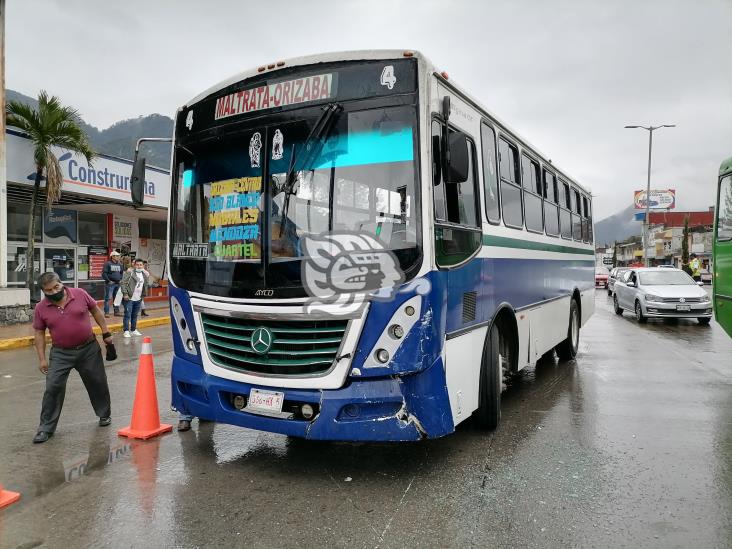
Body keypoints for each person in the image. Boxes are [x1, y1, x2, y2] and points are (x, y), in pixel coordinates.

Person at [32, 272, 113, 444]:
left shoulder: (80, 294)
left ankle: (104, 414)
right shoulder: (41, 307)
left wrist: (106, 333)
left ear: (61, 283)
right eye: (49, 290)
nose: (54, 292)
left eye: (56, 287)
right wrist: (42, 358)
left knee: (97, 381)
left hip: (88, 348)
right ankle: (45, 428)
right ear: (43, 291)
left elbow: (96, 311)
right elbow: (39, 333)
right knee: (53, 386)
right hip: (61, 353)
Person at [120, 258, 149, 338]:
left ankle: (133, 330)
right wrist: (125, 294)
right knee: (127, 315)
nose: (139, 266)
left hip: (138, 298)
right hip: (129, 298)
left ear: (143, 266)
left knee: (135, 315)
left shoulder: (144, 274)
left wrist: (143, 295)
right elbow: (123, 283)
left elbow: (145, 285)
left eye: (141, 265)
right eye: (137, 265)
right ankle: (126, 331)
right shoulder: (130, 273)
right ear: (134, 265)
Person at [101, 251, 124, 317]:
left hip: (118, 284)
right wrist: (108, 281)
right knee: (108, 298)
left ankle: (116, 312)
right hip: (110, 284)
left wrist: (120, 279)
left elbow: (121, 273)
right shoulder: (107, 264)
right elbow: (104, 273)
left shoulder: (120, 264)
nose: (118, 257)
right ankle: (107, 313)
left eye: (118, 256)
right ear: (113, 256)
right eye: (117, 256)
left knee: (117, 298)